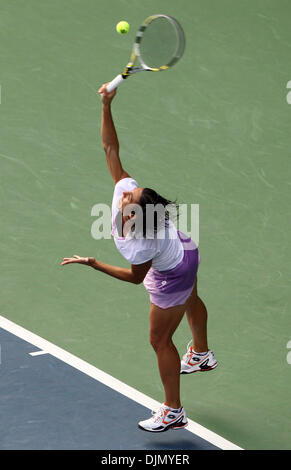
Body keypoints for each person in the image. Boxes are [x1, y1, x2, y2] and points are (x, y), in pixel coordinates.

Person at [61, 84, 217, 433]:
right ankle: (202, 353)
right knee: (190, 297)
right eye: (131, 190)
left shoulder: (139, 246)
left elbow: (135, 278)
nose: (126, 189)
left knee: (159, 340)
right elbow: (110, 147)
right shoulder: (130, 199)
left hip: (173, 270)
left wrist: (93, 263)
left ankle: (173, 410)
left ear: (134, 216)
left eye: (130, 196)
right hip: (185, 250)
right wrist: (106, 105)